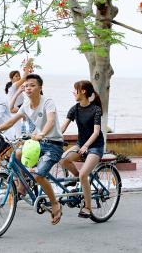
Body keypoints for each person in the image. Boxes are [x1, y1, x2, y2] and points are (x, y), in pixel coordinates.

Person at [0, 74, 64, 225]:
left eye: (32, 85)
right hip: (37, 143)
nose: (28, 88)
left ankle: (55, 203)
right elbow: (11, 121)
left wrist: (42, 133)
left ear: (40, 87)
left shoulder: (47, 102)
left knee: (38, 176)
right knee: (16, 155)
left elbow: (50, 121)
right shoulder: (26, 105)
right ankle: (22, 187)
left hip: (53, 144)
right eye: (26, 86)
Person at [59, 80, 104, 219]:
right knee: (63, 160)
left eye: (75, 90)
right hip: (80, 144)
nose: (74, 92)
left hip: (95, 146)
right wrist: (51, 137)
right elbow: (63, 128)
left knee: (84, 174)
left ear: (83, 91)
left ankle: (88, 207)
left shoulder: (96, 109)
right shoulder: (75, 109)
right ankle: (78, 179)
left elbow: (96, 132)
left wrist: (86, 146)